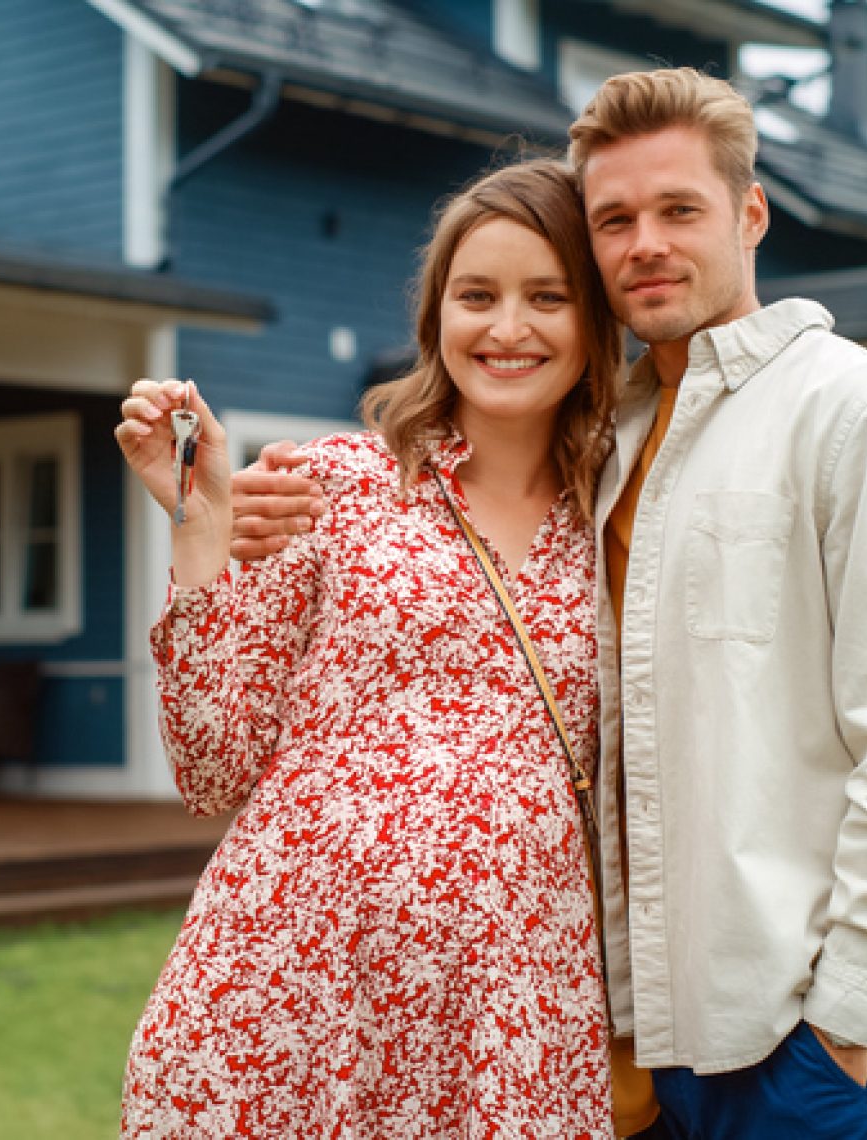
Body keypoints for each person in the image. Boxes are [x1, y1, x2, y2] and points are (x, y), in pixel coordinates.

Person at [231, 69, 867, 1140]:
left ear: (750, 213)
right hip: (633, 1048)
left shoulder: (858, 412)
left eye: (678, 209)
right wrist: (249, 520)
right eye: (613, 219)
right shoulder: (614, 437)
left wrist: (846, 1015)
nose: (645, 243)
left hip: (802, 1044)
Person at [114, 158, 624, 1137]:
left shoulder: (625, 514)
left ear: (592, 322)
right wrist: (197, 517)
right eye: (475, 295)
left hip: (507, 1013)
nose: (506, 328)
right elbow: (210, 763)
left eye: (546, 297)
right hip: (294, 997)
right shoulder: (334, 485)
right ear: (436, 315)